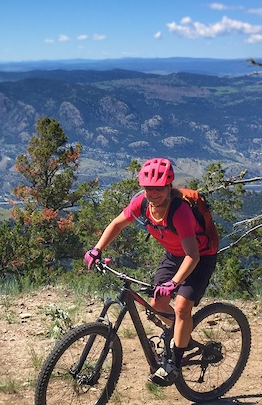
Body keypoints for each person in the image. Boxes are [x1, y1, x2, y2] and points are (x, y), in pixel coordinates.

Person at [84, 158, 218, 386]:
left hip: (199, 257)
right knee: (157, 304)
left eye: (158, 188)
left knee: (183, 306)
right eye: (148, 189)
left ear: (169, 187)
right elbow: (117, 224)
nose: (153, 193)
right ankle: (180, 335)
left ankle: (174, 363)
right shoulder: (142, 204)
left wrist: (174, 283)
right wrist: (97, 249)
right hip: (173, 255)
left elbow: (192, 256)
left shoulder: (180, 212)